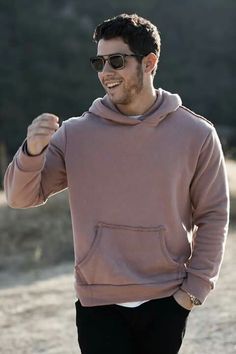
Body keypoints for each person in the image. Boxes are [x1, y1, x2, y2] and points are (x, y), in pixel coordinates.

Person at [4, 13, 229, 354]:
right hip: (98, 303)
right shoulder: (75, 134)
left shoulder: (196, 134)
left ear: (149, 62)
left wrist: (193, 291)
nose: (105, 72)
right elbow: (21, 198)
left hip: (167, 300)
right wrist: (32, 152)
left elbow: (212, 215)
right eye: (99, 62)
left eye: (117, 61)